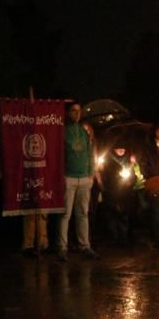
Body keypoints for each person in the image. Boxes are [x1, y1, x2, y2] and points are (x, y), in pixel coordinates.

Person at [57, 102, 100, 261]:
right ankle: (62, 248)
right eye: (73, 111)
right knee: (65, 214)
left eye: (79, 110)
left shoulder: (84, 131)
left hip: (84, 178)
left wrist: (90, 174)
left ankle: (85, 246)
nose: (77, 113)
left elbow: (90, 153)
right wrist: (62, 175)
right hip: (68, 177)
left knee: (83, 213)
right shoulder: (63, 131)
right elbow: (59, 155)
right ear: (68, 113)